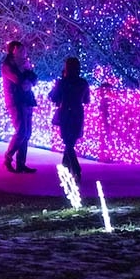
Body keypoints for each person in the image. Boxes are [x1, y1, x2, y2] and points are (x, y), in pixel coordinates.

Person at [49, 56, 90, 184]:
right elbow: (86, 100)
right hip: (78, 113)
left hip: (65, 113)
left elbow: (53, 97)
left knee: (68, 143)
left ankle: (76, 170)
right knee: (70, 143)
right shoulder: (83, 83)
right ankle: (65, 168)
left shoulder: (62, 83)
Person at [1, 40, 37, 173]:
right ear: (13, 50)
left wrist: (29, 74)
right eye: (20, 50)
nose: (24, 52)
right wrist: (25, 74)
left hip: (27, 100)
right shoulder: (8, 66)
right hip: (15, 101)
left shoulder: (24, 65)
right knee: (21, 131)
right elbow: (18, 80)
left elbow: (34, 79)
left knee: (27, 133)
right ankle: (8, 158)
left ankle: (21, 163)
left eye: (24, 50)